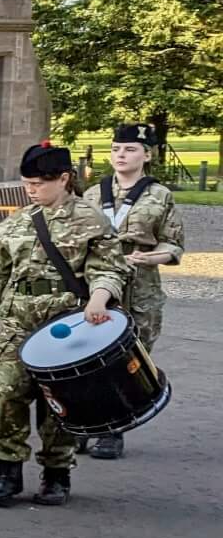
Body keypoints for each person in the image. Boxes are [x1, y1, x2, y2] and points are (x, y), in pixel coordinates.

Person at [0, 143, 127, 508]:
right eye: (26, 183)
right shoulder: (15, 224)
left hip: (67, 325)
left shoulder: (92, 220)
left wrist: (99, 298)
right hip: (16, 322)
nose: (31, 190)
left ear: (64, 178)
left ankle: (56, 473)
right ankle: (7, 471)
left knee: (59, 403)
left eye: (38, 183)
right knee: (7, 396)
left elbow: (110, 269)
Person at [85, 121, 183, 459]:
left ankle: (115, 430)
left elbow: (174, 245)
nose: (121, 155)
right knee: (88, 357)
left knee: (128, 360)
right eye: (115, 149)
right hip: (96, 284)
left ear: (147, 154)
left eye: (129, 149)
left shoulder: (160, 195)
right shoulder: (94, 194)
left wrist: (152, 256)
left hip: (140, 288)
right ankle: (86, 425)